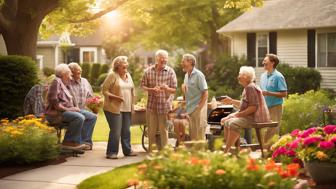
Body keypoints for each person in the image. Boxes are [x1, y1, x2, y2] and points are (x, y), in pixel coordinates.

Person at [220, 66, 270, 153]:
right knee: (227, 121)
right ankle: (231, 149)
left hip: (255, 118)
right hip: (251, 116)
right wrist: (231, 101)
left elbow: (253, 108)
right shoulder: (248, 87)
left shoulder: (250, 88)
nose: (238, 77)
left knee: (232, 123)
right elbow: (245, 105)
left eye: (240, 75)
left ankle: (227, 150)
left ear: (246, 77)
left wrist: (235, 115)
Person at [140, 49, 177, 151]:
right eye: (162, 59)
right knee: (151, 130)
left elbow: (174, 90)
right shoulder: (148, 71)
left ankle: (165, 151)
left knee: (163, 130)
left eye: (166, 59)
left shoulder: (170, 72)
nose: (164, 61)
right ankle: (151, 151)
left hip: (164, 106)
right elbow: (142, 86)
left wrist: (166, 88)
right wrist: (151, 90)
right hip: (152, 106)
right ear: (157, 59)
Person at [102, 56, 137, 159]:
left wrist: (132, 105)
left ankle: (128, 151)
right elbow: (104, 90)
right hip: (113, 107)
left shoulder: (128, 75)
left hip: (127, 108)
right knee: (116, 131)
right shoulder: (112, 75)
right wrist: (116, 97)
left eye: (126, 64)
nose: (126, 66)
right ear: (117, 66)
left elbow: (132, 91)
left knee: (126, 130)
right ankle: (111, 153)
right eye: (123, 65)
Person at [45, 64, 87, 150]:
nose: (71, 77)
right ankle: (69, 142)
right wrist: (70, 109)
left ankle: (80, 141)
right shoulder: (56, 82)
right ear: (63, 74)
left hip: (64, 111)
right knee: (79, 117)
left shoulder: (63, 83)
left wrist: (74, 108)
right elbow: (55, 103)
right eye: (69, 74)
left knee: (90, 116)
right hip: (56, 114)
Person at [68, 62, 97, 150]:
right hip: (72, 110)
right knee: (92, 117)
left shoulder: (84, 81)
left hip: (83, 109)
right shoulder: (68, 82)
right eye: (77, 72)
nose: (79, 74)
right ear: (71, 72)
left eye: (80, 72)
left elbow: (90, 96)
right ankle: (85, 142)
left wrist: (95, 105)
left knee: (92, 116)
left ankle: (84, 142)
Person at [260, 54, 287, 146]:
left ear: (272, 63)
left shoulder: (278, 76)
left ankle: (271, 154)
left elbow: (284, 94)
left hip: (275, 107)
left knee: (273, 131)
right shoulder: (263, 76)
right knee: (264, 130)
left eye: (265, 60)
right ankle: (264, 151)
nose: (263, 62)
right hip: (264, 108)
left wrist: (269, 93)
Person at [181, 54, 208, 141]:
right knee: (193, 135)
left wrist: (199, 107)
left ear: (191, 62)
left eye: (183, 61)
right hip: (190, 108)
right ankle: (194, 153)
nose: (182, 63)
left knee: (199, 134)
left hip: (198, 108)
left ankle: (201, 153)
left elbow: (205, 92)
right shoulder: (186, 75)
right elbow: (187, 92)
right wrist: (184, 100)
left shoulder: (199, 75)